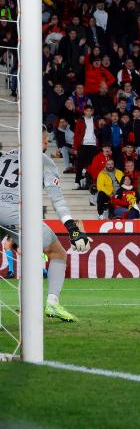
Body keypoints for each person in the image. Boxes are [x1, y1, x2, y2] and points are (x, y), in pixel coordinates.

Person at [0, 128, 91, 322]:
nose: (45, 144)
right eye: (44, 140)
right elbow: (57, 200)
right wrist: (72, 228)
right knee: (57, 252)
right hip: (16, 213)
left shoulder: (5, 156)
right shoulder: (45, 162)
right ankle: (52, 303)